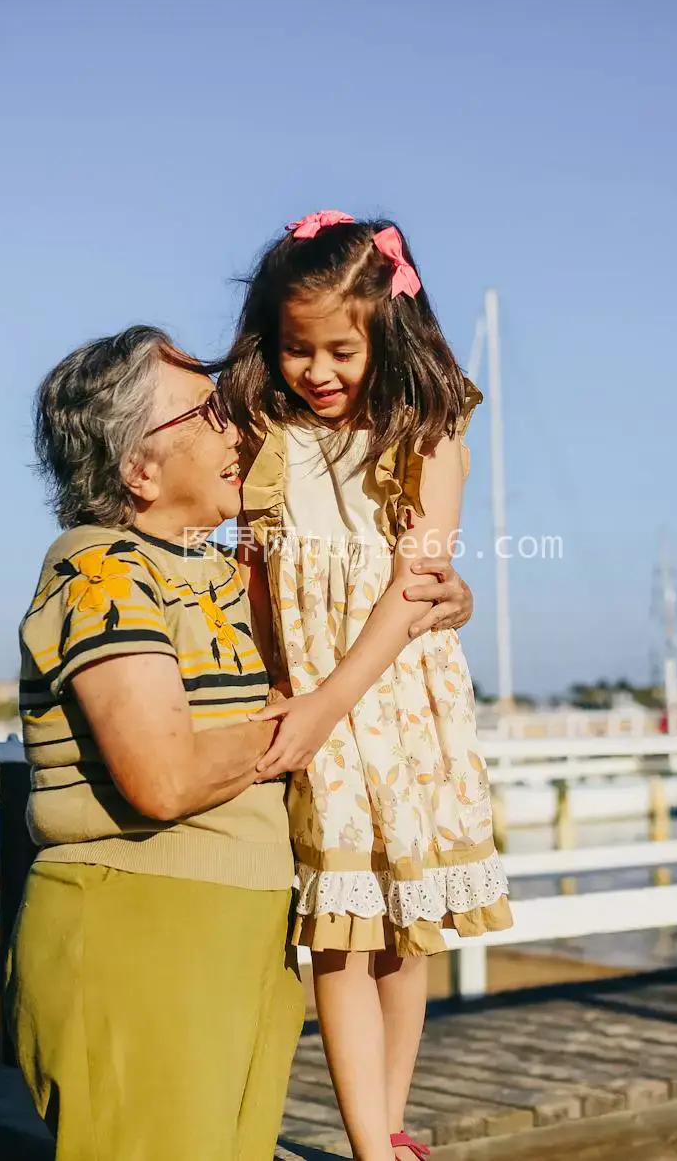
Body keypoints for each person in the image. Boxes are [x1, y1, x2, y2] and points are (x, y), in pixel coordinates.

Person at [7, 324, 475, 1161]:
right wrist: (308, 718)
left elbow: (342, 597)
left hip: (238, 944)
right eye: (209, 411)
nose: (239, 426)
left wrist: (434, 605)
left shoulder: (218, 571)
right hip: (142, 938)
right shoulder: (103, 571)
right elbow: (164, 775)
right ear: (137, 468)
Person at [221, 211, 514, 1161]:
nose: (318, 371)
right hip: (306, 700)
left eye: (340, 349)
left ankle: (385, 1126)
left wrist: (327, 701)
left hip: (393, 701)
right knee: (339, 935)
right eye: (297, 349)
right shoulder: (269, 436)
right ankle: (367, 1143)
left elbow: (416, 584)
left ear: (387, 332)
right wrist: (272, 683)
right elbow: (254, 571)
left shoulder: (428, 433)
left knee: (402, 931)